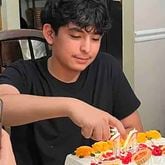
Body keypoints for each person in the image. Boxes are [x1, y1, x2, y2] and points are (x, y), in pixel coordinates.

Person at [0, 0, 143, 164]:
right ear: (50, 34)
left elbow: (135, 132)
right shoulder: (24, 73)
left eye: (95, 38)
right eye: (76, 36)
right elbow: (3, 105)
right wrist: (71, 107)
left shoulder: (107, 67)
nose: (87, 49)